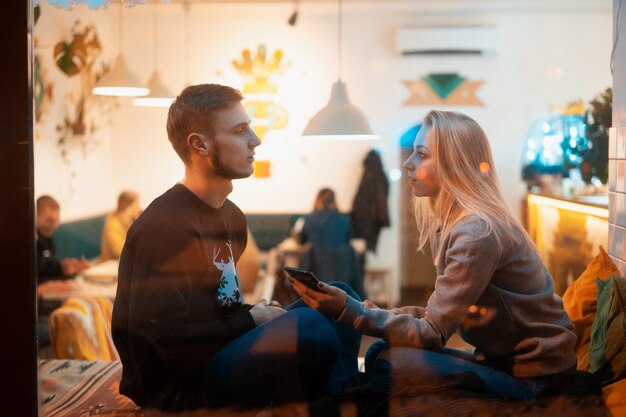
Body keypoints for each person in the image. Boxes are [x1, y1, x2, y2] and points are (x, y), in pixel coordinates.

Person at [290, 110, 577, 401]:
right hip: (501, 364)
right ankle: (340, 397)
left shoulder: (477, 232)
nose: (407, 163)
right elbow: (436, 315)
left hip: (533, 381)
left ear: (454, 164)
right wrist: (362, 309)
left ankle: (334, 401)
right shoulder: (462, 226)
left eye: (421, 154)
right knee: (375, 346)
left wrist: (353, 311)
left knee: (385, 359)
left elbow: (431, 332)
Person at [111, 84, 361, 414]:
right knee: (310, 329)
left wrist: (255, 314)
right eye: (240, 131)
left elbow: (217, 310)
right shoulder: (163, 227)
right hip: (178, 389)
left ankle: (338, 404)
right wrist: (252, 320)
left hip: (216, 357)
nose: (255, 140)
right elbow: (163, 343)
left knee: (337, 298)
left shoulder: (232, 218)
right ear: (199, 144)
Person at [298, 188, 365, 298]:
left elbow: (302, 240)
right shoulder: (344, 219)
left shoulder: (309, 219)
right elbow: (348, 240)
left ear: (318, 201)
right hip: (343, 279)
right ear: (334, 201)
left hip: (316, 279)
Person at [36, 195, 90, 282]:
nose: (54, 226)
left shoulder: (47, 236)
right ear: (35, 216)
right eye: (49, 221)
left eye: (56, 221)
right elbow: (36, 274)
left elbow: (49, 266)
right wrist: (61, 269)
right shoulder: (31, 239)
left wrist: (68, 266)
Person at [100, 190, 141, 262]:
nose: (139, 208)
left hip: (122, 263)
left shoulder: (128, 222)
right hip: (111, 264)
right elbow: (119, 251)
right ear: (128, 207)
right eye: (136, 204)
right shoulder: (113, 224)